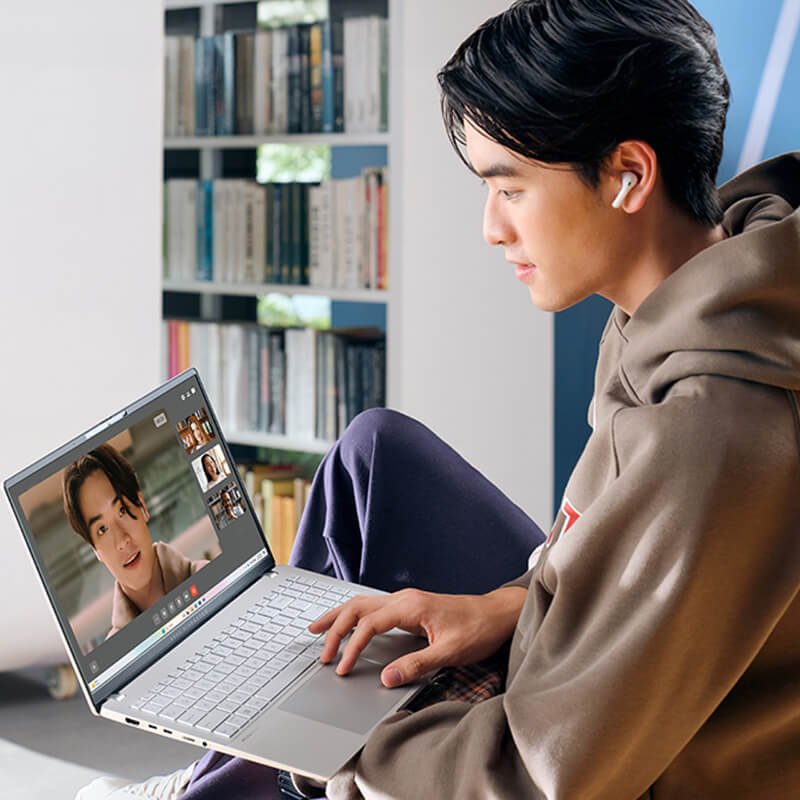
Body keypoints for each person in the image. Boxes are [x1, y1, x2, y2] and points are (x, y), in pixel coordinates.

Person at [78, 0, 800, 797]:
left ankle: (243, 773)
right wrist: (505, 605)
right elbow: (605, 552)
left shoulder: (714, 428)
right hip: (580, 663)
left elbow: (537, 780)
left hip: (601, 764)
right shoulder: (703, 282)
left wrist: (343, 743)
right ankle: (238, 765)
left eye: (511, 188)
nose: (491, 228)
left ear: (629, 174)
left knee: (321, 728)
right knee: (373, 449)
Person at [63, 444, 209, 640]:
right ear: (96, 550)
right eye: (102, 529)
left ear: (142, 507)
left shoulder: (208, 578)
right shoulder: (115, 650)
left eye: (122, 510)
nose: (122, 541)